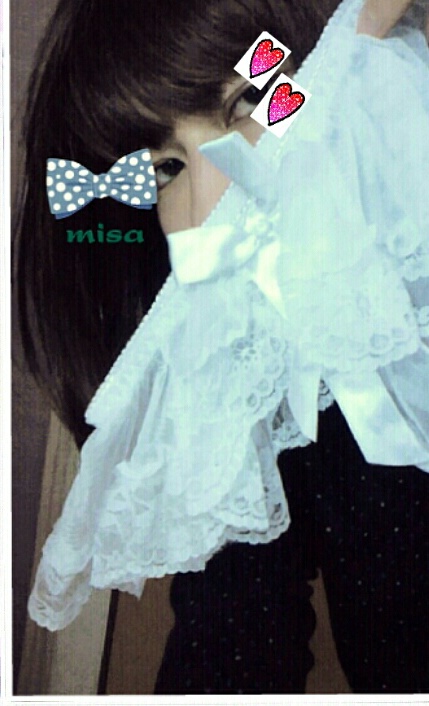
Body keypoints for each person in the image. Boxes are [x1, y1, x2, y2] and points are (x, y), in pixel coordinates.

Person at [13, 0, 429, 694]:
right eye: (166, 169)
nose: (210, 203)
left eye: (246, 103)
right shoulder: (264, 416)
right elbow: (230, 642)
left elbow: (323, 64)